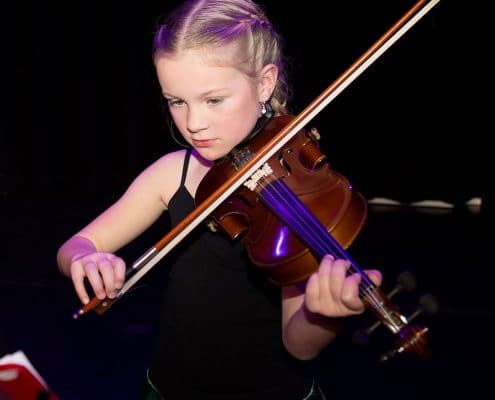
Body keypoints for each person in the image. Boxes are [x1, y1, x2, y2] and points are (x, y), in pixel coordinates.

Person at [56, 0, 382, 398]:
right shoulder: (171, 172)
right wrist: (86, 259)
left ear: (264, 83)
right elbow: (75, 246)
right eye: (177, 101)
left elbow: (299, 344)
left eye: (213, 100)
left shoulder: (293, 191)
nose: (193, 123)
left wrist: (322, 316)